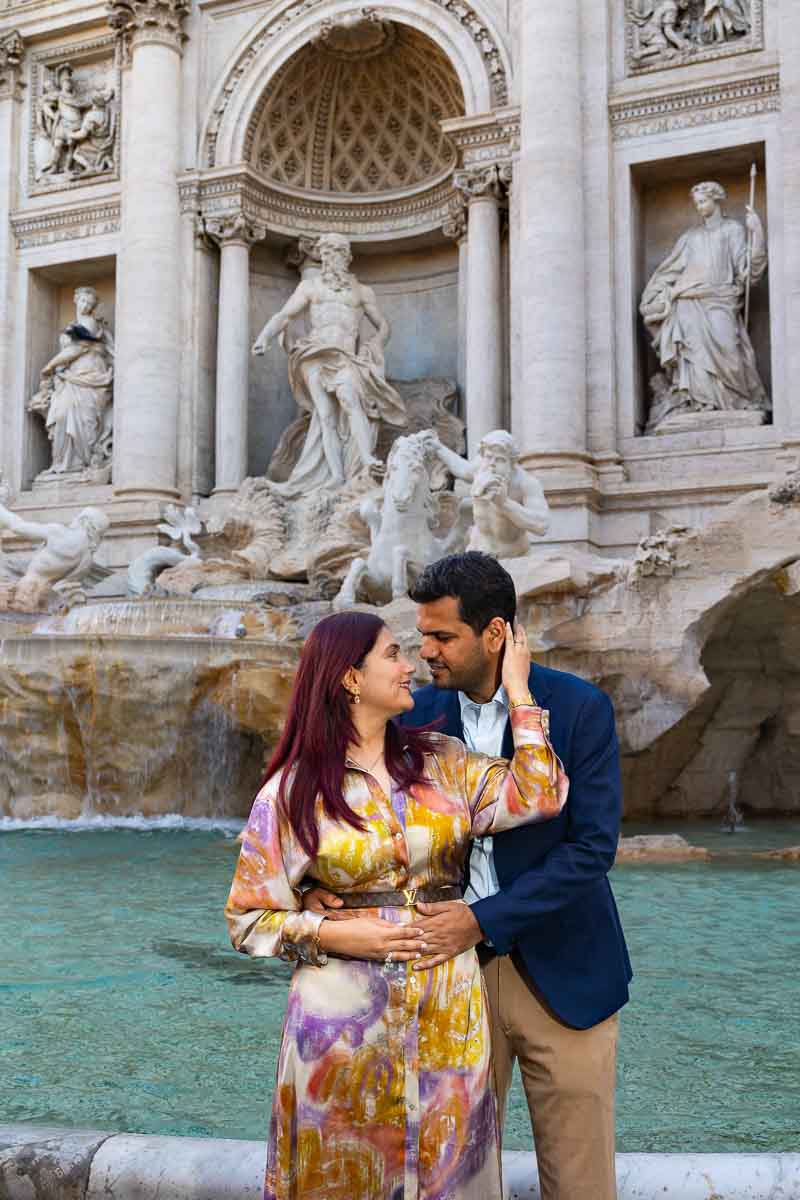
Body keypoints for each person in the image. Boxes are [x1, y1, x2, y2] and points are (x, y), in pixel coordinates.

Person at [307, 553, 632, 1200]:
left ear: (496, 635)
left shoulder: (579, 708)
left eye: (443, 637)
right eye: (421, 636)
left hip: (566, 974)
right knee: (451, 1181)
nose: (426, 651)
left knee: (580, 1185)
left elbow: (591, 850)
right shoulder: (409, 715)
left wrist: (481, 920)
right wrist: (313, 885)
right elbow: (351, 810)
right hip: (442, 979)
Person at [225, 609, 569, 1200]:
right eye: (392, 654)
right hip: (341, 1023)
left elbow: (540, 795)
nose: (410, 665)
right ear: (350, 678)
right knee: (344, 1173)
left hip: (448, 1005)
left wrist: (519, 694)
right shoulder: (293, 789)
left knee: (451, 1171)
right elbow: (248, 919)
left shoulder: (443, 761)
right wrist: (335, 935)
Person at [251, 232, 407, 492]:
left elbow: (383, 325)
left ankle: (366, 458)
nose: (330, 259)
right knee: (324, 414)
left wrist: (377, 342)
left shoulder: (361, 291)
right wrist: (264, 337)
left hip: (344, 355)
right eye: (326, 254)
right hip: (314, 354)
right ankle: (336, 475)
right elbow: (285, 315)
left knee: (349, 399)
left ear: (347, 257)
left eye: (336, 253)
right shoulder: (310, 287)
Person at [640, 180, 768, 429]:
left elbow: (748, 271)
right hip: (688, 303)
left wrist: (758, 233)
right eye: (696, 203)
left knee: (729, 347)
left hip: (721, 300)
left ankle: (736, 400)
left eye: (703, 201)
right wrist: (656, 295)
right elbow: (669, 271)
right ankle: (700, 403)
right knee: (694, 355)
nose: (699, 207)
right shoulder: (690, 238)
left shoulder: (732, 230)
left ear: (716, 200)